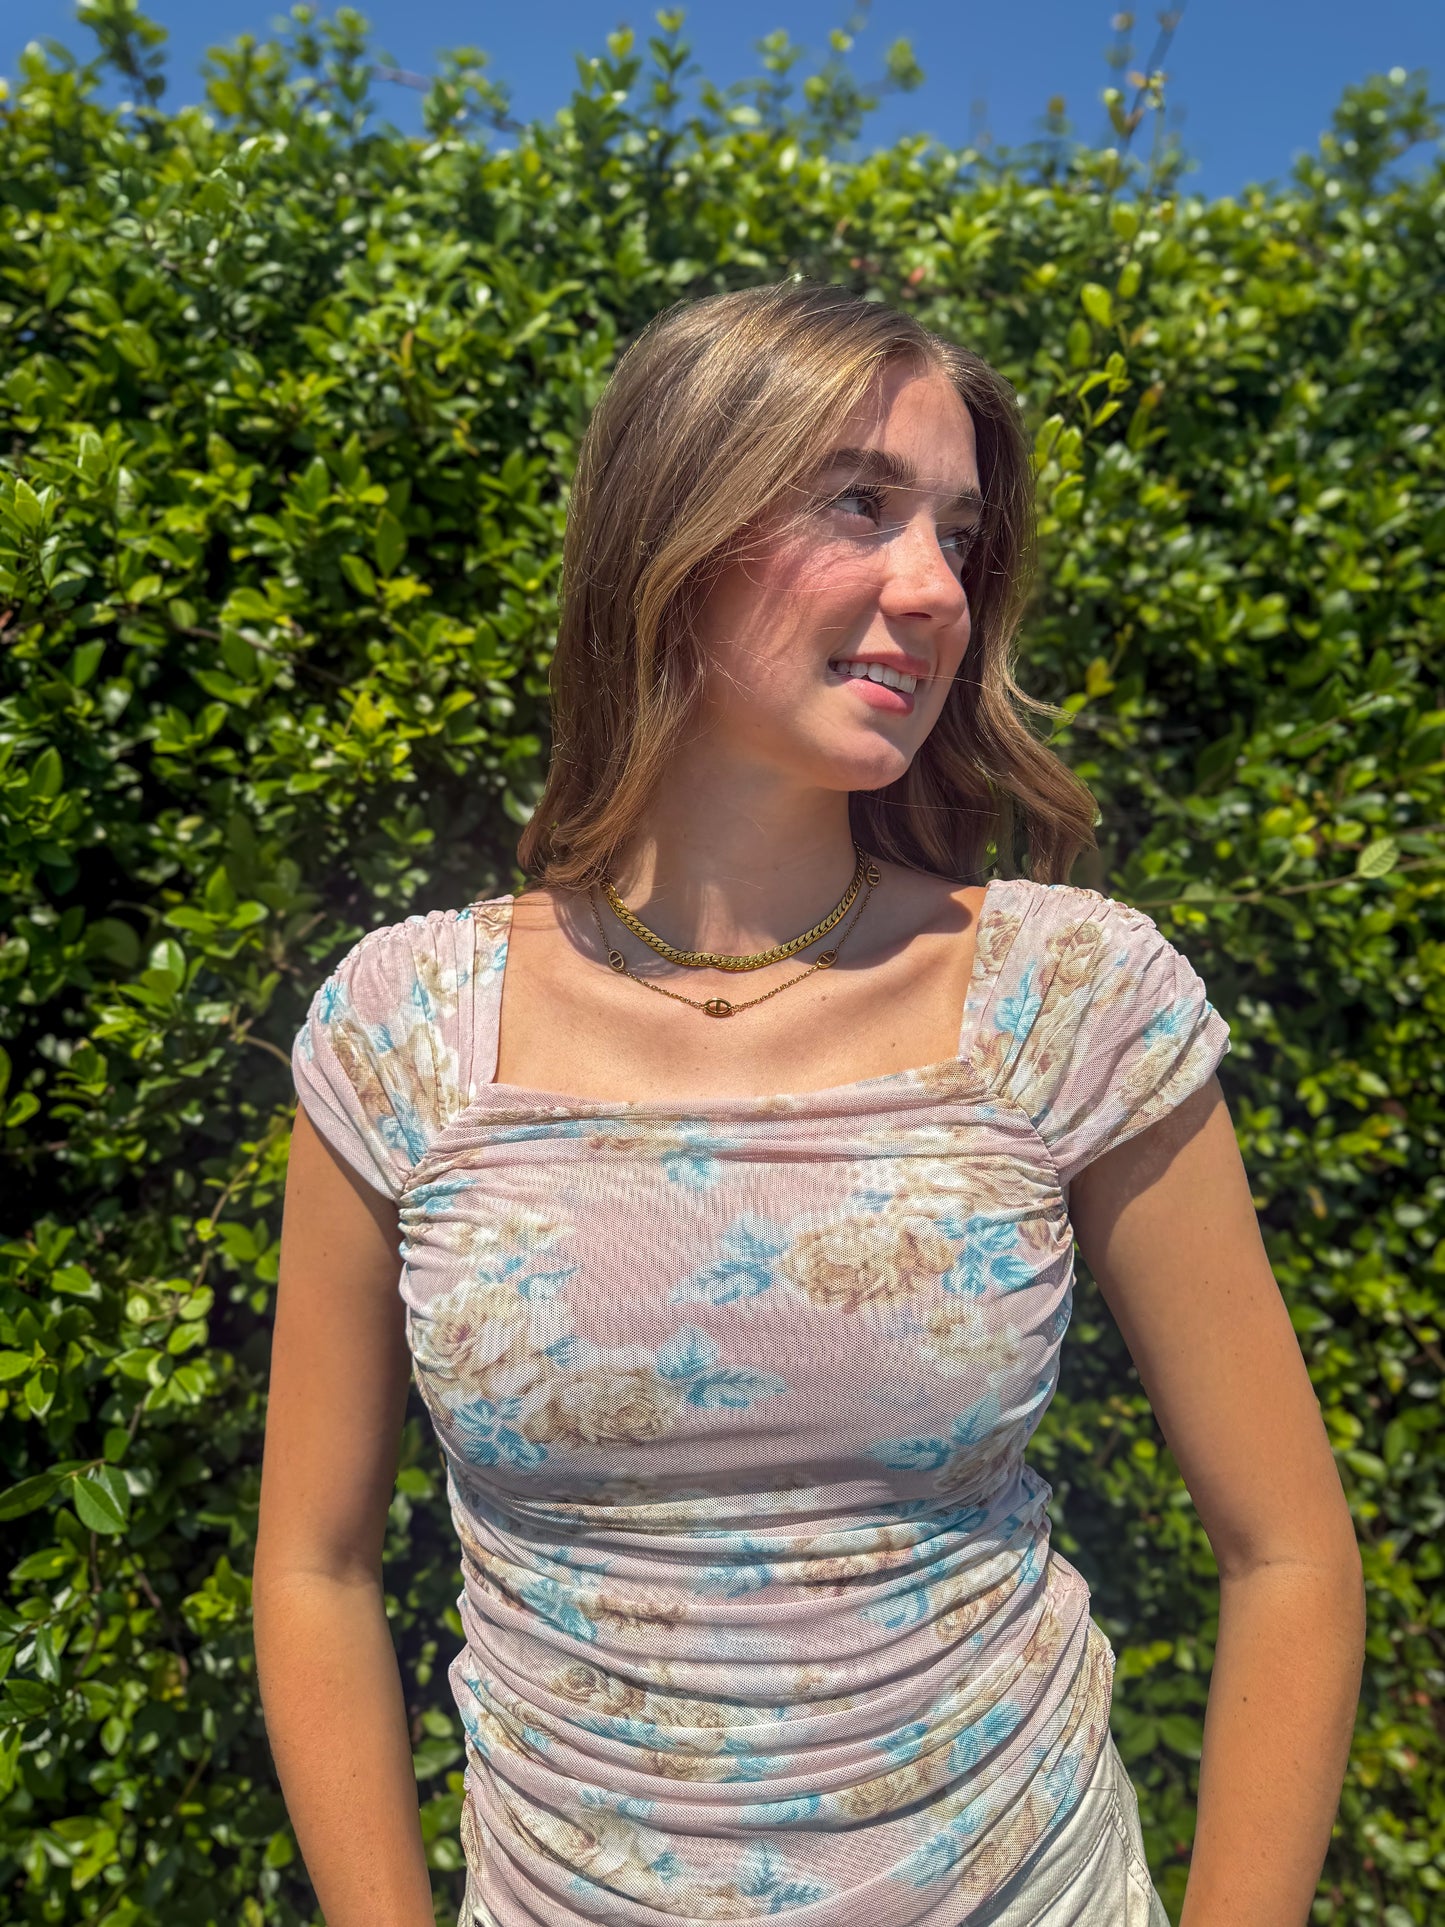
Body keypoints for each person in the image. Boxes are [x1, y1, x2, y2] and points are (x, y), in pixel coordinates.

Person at [253, 280, 1365, 1927]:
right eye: (858, 504)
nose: (935, 589)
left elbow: (1291, 1557)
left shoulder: (1066, 998)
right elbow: (314, 1567)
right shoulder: (404, 1029)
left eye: (957, 536)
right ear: (671, 535)